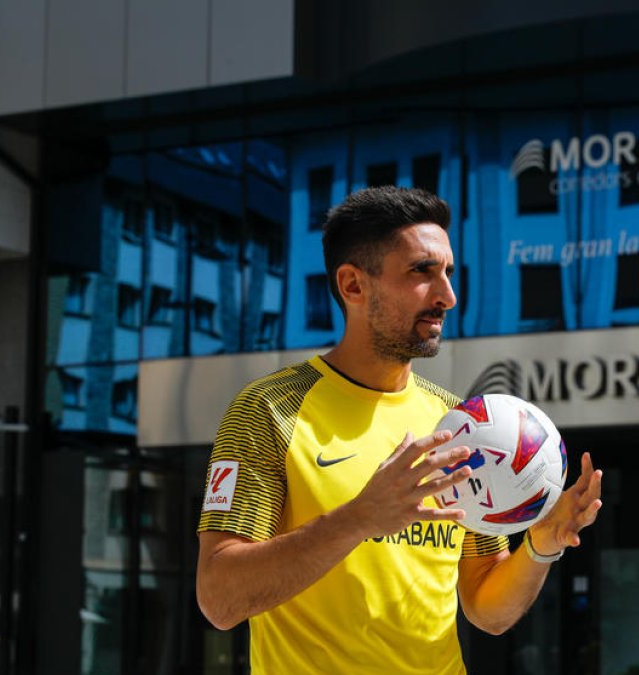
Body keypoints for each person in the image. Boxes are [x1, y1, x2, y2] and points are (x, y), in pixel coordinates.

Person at [196, 186, 603, 674]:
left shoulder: (462, 423)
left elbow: (486, 608)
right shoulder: (268, 410)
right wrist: (360, 518)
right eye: (421, 272)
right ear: (353, 286)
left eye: (448, 272)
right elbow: (219, 599)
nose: (447, 296)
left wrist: (539, 547)